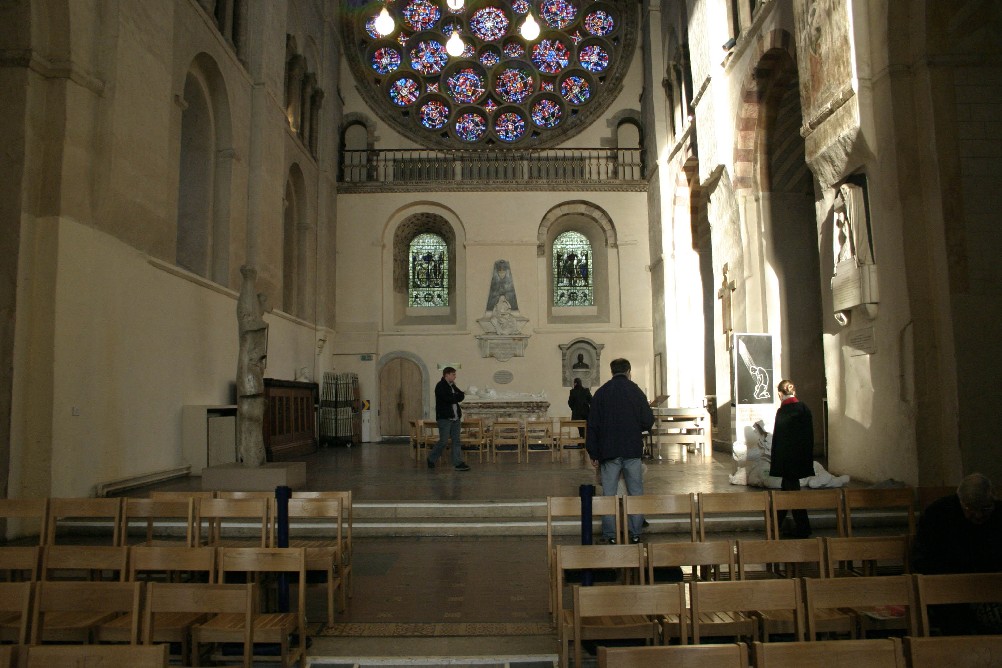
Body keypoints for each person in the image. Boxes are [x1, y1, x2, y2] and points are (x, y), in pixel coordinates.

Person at [912, 473, 1002, 634]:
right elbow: (923, 559)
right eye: (971, 509)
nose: (979, 515)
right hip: (949, 590)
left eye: (986, 509)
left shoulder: (999, 514)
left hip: (992, 588)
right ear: (960, 500)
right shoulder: (938, 514)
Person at [586, 358, 654, 544]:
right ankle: (635, 533)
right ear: (628, 371)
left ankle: (610, 536)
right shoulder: (636, 391)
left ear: (611, 371)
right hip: (631, 449)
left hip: (608, 451)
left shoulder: (601, 393)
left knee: (609, 494)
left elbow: (592, 425)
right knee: (635, 492)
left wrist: (593, 452)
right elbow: (648, 421)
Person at [769, 379, 814, 538]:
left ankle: (801, 528)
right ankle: (775, 525)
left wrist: (777, 463)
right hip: (800, 458)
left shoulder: (783, 412)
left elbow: (779, 440)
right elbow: (809, 436)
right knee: (787, 492)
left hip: (787, 461)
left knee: (792, 495)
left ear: (780, 394)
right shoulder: (804, 408)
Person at [427, 367, 470, 471]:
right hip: (444, 418)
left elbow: (461, 396)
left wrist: (455, 395)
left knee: (456, 441)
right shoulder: (440, 386)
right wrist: (455, 395)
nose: (455, 376)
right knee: (444, 441)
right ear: (447, 375)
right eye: (453, 374)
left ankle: (457, 463)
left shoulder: (453, 386)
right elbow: (448, 399)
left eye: (455, 374)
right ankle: (431, 458)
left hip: (455, 418)